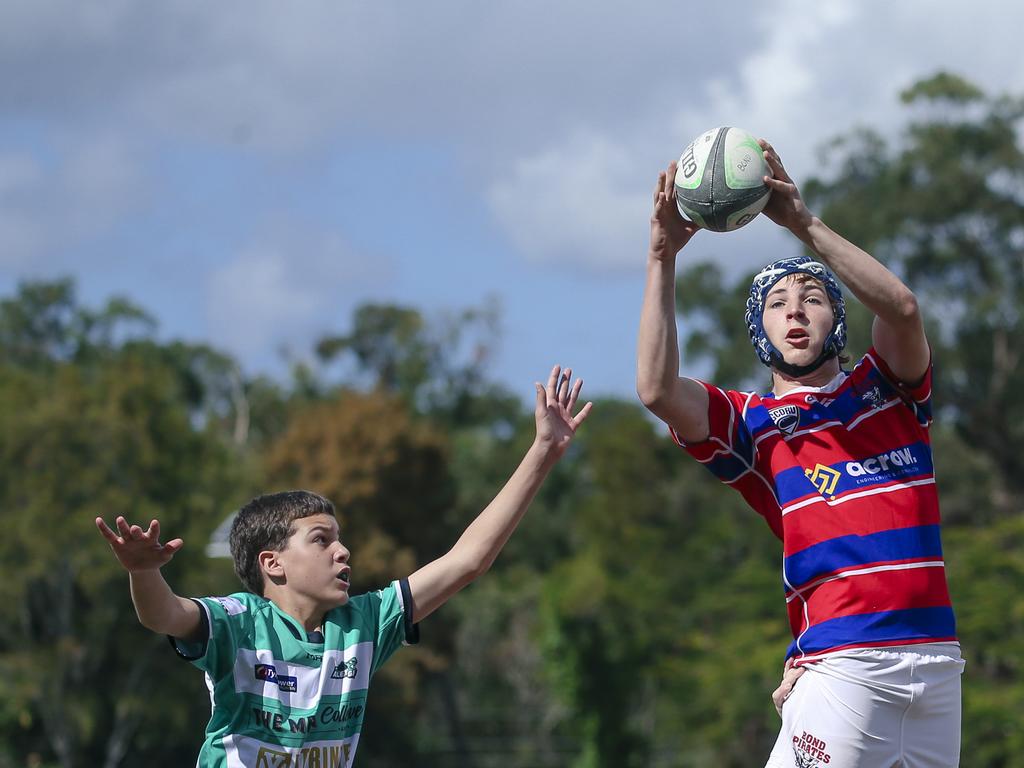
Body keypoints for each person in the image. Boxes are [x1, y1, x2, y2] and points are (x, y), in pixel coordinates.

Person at [637, 140, 964, 767]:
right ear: (760, 331)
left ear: (836, 321)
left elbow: (902, 307)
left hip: (939, 668)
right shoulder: (753, 426)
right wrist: (660, 257)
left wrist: (802, 225)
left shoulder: (890, 389)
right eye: (778, 304)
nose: (794, 311)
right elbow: (655, 388)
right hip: (845, 670)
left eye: (811, 300)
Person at [97, 364, 592, 768]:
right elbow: (163, 616)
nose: (343, 552)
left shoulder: (364, 624)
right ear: (273, 563)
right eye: (321, 540)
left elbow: (468, 560)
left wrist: (544, 452)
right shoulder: (238, 622)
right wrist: (143, 571)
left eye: (340, 540)